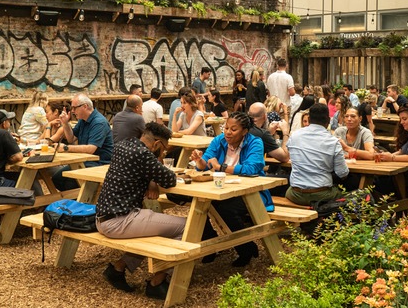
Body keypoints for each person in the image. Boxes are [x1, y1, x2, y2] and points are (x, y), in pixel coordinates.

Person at [97, 122, 184, 300]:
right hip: (121, 220)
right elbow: (170, 179)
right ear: (158, 144)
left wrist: (151, 180)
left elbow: (146, 171)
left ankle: (118, 268)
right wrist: (158, 161)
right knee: (186, 227)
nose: (164, 151)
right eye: (165, 148)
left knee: (157, 227)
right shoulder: (144, 154)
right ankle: (158, 282)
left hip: (102, 217)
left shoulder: (124, 145)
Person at [191, 112, 274, 267]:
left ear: (244, 131)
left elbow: (252, 168)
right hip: (222, 189)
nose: (228, 132)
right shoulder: (219, 140)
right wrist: (200, 161)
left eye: (233, 129)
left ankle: (245, 248)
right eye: (226, 128)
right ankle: (210, 243)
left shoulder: (255, 142)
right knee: (199, 203)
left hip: (251, 193)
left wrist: (220, 167)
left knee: (223, 207)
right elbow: (206, 162)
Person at [286, 103, 349, 206]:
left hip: (295, 194)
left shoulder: (294, 136)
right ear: (328, 120)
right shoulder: (333, 141)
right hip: (322, 194)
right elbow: (343, 173)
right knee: (346, 192)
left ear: (309, 119)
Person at [52, 94, 114, 191]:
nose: (72, 111)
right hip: (85, 161)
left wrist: (66, 148)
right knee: (57, 179)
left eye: (74, 108)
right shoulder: (83, 120)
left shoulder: (99, 122)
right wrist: (65, 123)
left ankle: (80, 201)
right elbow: (71, 138)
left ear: (85, 106)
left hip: (100, 162)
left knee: (68, 181)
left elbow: (91, 149)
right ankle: (75, 201)